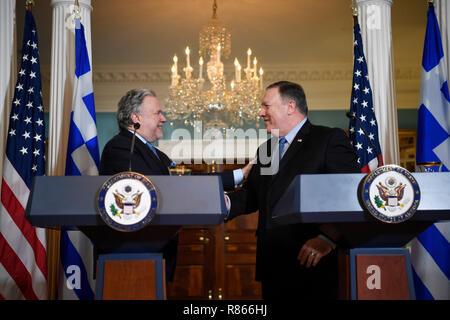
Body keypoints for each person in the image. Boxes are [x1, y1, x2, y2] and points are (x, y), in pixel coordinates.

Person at [99, 88, 253, 282]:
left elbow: (183, 184)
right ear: (136, 118)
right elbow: (162, 190)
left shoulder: (155, 153)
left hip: (155, 254)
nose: (163, 119)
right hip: (133, 257)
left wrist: (239, 174)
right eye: (157, 113)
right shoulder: (121, 147)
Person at [225, 81, 360, 299]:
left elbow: (352, 194)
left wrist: (328, 238)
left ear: (290, 106)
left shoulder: (328, 140)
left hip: (313, 266)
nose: (261, 113)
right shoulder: (267, 149)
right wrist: (224, 203)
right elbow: (253, 195)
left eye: (266, 106)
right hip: (272, 266)